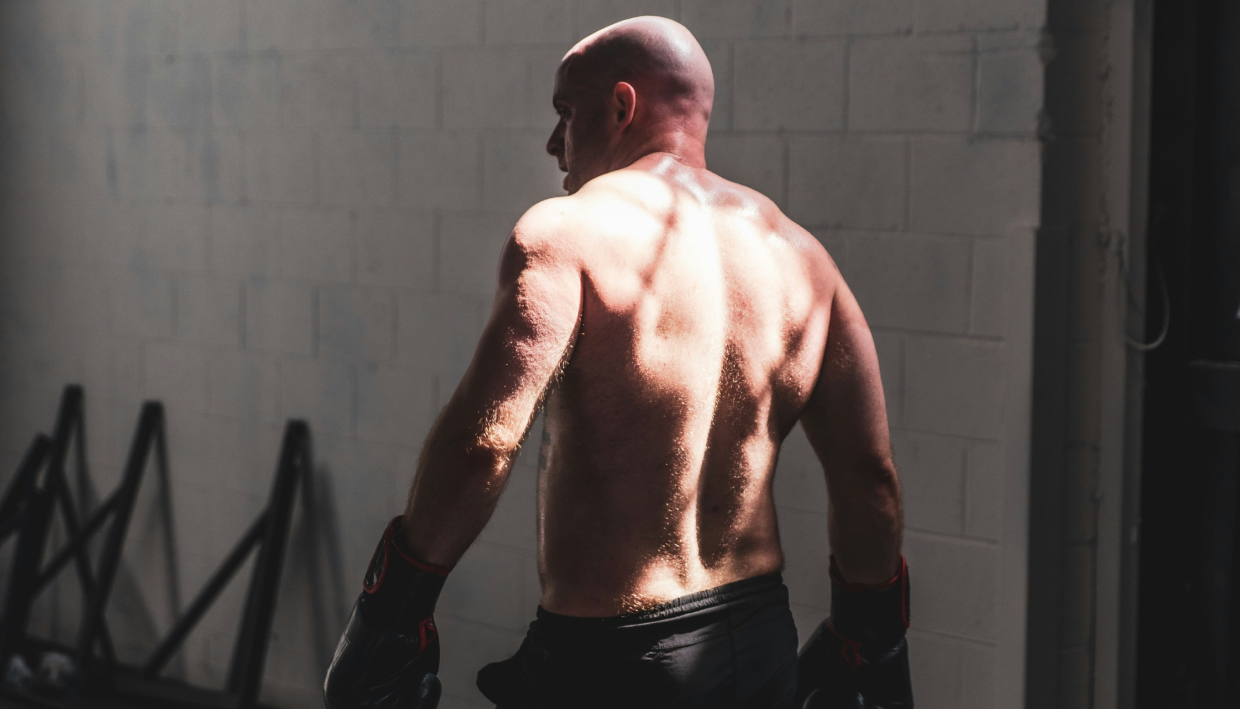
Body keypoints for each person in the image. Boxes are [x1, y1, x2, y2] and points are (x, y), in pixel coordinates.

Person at [323, 16, 912, 709]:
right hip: (758, 644)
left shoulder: (568, 231)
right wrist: (868, 633)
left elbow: (486, 443)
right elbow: (870, 478)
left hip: (613, 660)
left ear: (622, 106)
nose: (554, 142)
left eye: (565, 112)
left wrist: (395, 605)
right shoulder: (805, 260)